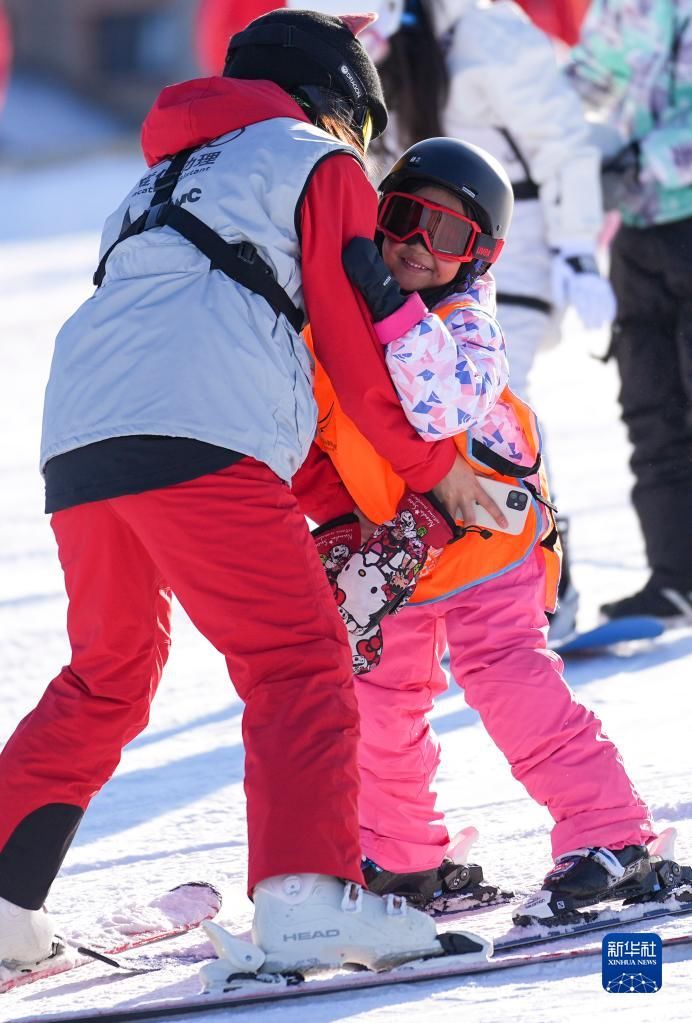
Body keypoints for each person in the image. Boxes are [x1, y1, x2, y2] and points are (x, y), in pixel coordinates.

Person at [0, 10, 490, 975]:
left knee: (110, 670)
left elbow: (248, 364)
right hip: (195, 432)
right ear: (337, 102)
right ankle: (308, 903)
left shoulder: (157, 180)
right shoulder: (315, 161)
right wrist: (437, 473)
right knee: (298, 660)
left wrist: (338, 502)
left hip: (84, 433)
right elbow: (347, 351)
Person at [296, 137, 658, 923]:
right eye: (403, 219)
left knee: (512, 686)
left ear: (478, 256)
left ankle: (613, 836)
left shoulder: (467, 324)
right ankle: (401, 857)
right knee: (380, 708)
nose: (418, 248)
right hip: (402, 557)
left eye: (449, 235)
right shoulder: (337, 320)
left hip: (490, 536)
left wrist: (389, 305)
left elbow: (441, 405)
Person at [566, 0, 692, 624]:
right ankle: (675, 577)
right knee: (650, 408)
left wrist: (640, 161)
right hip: (638, 234)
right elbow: (585, 83)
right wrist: (565, 142)